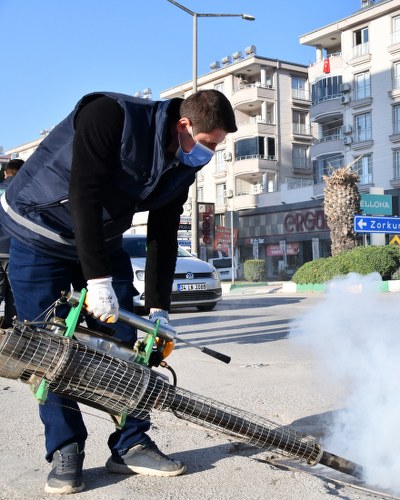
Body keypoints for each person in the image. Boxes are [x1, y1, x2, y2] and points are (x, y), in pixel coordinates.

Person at [0, 90, 237, 494]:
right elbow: (84, 194)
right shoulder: (110, 116)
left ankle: (130, 443)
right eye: (210, 143)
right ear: (184, 126)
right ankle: (66, 448)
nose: (212, 153)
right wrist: (97, 281)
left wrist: (159, 309)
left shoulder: (182, 163)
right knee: (48, 348)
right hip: (39, 232)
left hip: (101, 240)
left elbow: (162, 232)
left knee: (125, 341)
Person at [0, 158, 24, 328]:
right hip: (16, 249)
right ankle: (10, 332)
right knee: (15, 295)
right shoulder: (26, 190)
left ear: (5, 173)